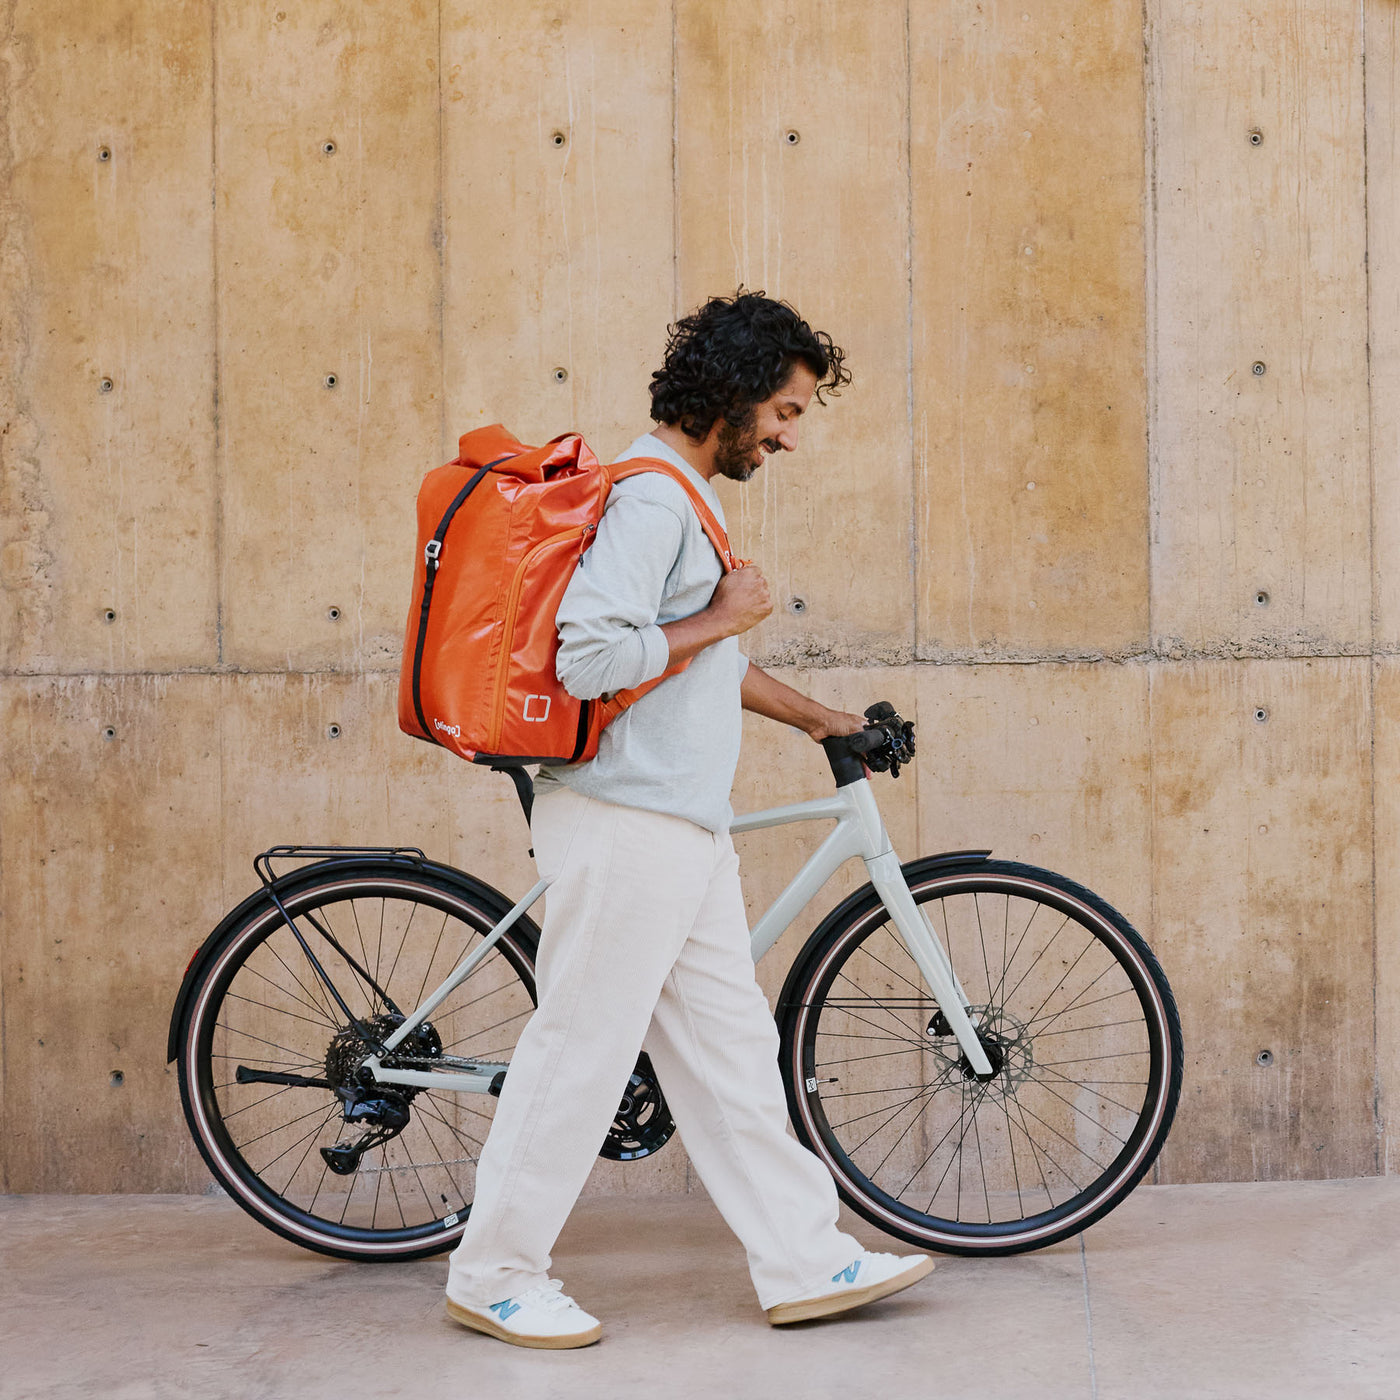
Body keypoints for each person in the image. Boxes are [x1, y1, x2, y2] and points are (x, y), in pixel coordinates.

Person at [444, 292, 934, 1349]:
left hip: (681, 828)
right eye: (786, 412)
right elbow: (590, 657)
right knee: (580, 1050)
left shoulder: (676, 496)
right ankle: (493, 1273)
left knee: (730, 1056)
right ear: (735, 393)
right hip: (627, 823)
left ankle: (804, 1259)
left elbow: (701, 661)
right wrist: (721, 613)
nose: (789, 438)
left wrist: (820, 718)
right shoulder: (652, 502)